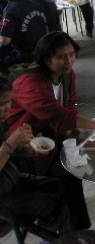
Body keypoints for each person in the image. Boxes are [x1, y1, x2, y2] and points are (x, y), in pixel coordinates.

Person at [6, 32, 95, 230]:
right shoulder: (29, 82)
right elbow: (56, 114)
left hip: (55, 134)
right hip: (27, 148)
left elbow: (70, 105)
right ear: (45, 59)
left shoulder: (67, 75)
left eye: (71, 54)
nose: (69, 61)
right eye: (61, 57)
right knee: (69, 174)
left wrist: (72, 129)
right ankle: (76, 230)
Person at [0, 75, 68, 233]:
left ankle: (54, 233)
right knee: (49, 202)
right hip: (3, 197)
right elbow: (7, 146)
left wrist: (27, 148)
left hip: (13, 180)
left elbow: (12, 150)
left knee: (59, 186)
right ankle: (56, 236)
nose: (8, 108)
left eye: (10, 102)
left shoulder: (2, 121)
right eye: (2, 104)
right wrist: (11, 143)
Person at [0, 0, 47, 70]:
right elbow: (46, 30)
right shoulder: (37, 5)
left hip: (25, 55)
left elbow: (5, 41)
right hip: (43, 49)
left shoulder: (10, 10)